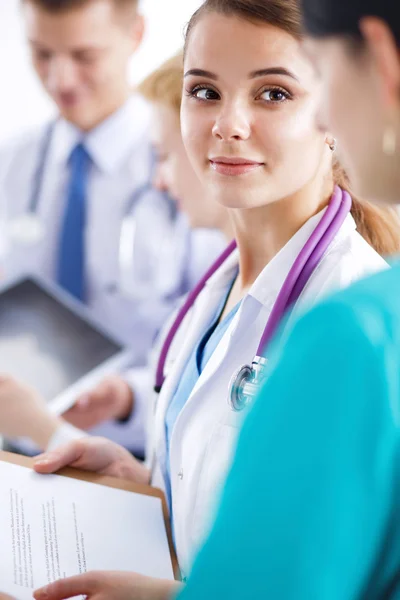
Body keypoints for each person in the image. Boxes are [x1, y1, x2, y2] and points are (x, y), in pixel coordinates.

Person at [20, 0, 400, 597]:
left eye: (272, 93)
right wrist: (144, 485)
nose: (227, 123)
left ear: (329, 111)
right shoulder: (216, 290)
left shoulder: (349, 312)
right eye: (204, 91)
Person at [0, 0, 225, 456]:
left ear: (136, 35)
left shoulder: (189, 167)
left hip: (137, 452)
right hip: (17, 447)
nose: (60, 79)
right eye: (41, 53)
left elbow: (212, 338)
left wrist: (127, 397)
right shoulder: (13, 162)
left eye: (85, 56)